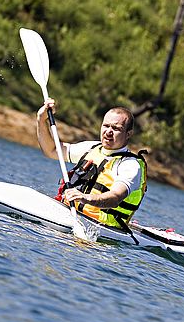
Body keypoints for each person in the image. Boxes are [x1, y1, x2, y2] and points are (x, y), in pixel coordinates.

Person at [36, 98, 147, 234]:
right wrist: (41, 120)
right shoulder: (90, 148)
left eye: (116, 128)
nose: (108, 132)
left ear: (128, 134)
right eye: (106, 126)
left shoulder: (129, 165)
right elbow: (51, 150)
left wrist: (85, 198)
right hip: (69, 213)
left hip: (102, 231)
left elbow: (115, 197)